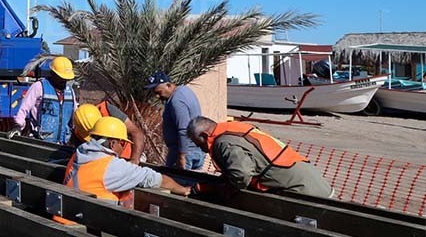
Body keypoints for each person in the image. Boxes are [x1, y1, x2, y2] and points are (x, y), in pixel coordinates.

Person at [53, 116, 189, 224]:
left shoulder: (78, 154)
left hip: (63, 218)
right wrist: (183, 190)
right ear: (112, 144)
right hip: (84, 226)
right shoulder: (110, 166)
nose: (123, 148)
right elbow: (156, 179)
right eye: (122, 143)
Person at [187, 116, 333, 197]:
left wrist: (216, 190)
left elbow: (241, 176)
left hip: (302, 191)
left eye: (199, 144)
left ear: (205, 135)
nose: (202, 149)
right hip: (314, 182)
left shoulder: (223, 143)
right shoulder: (236, 127)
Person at [9, 56, 78, 144]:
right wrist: (18, 126)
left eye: (66, 79)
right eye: (61, 78)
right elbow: (24, 108)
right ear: (53, 74)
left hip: (63, 144)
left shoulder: (70, 91)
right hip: (40, 141)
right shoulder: (39, 87)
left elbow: (75, 114)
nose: (64, 81)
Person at [144, 70, 204, 169]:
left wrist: (181, 156)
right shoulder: (184, 91)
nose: (157, 96)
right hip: (194, 150)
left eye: (159, 92)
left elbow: (183, 129)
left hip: (183, 152)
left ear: (168, 85)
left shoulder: (176, 100)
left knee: (175, 182)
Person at [69, 102, 146, 162]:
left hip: (127, 158)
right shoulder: (78, 135)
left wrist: (135, 159)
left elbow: (137, 133)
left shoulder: (108, 111)